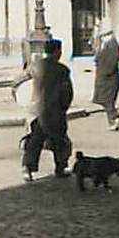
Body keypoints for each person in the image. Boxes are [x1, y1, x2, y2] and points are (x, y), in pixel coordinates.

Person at [10, 38, 74, 181]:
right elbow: (67, 92)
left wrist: (18, 97)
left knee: (35, 140)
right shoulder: (62, 70)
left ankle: (27, 168)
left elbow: (17, 81)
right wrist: (64, 107)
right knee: (60, 141)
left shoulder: (35, 66)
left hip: (36, 111)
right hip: (55, 111)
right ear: (58, 52)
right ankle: (61, 167)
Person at [92, 27, 119, 130]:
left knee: (107, 100)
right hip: (104, 78)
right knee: (105, 100)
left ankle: (115, 118)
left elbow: (112, 61)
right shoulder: (106, 45)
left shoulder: (112, 45)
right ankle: (113, 119)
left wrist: (105, 73)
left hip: (108, 78)